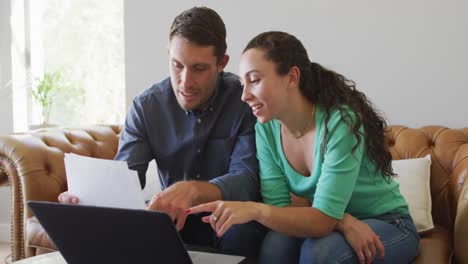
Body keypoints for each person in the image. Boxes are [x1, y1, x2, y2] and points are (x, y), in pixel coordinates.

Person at [187, 31, 420, 263]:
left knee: (320, 252)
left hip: (387, 222)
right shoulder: (266, 129)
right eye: (242, 84)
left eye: (255, 80)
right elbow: (279, 208)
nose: (244, 95)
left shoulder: (339, 123)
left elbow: (321, 219)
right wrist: (342, 221)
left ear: (291, 77)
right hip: (334, 222)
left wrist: (254, 209)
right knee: (275, 244)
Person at [58, 6, 267, 258]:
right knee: (135, 226)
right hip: (173, 220)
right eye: (177, 65)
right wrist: (89, 199)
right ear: (168, 55)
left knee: (240, 230)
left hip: (231, 217)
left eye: (199, 69)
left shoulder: (245, 101)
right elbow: (127, 179)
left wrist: (192, 190)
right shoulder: (146, 106)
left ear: (222, 63)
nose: (185, 82)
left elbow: (246, 179)